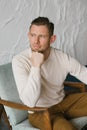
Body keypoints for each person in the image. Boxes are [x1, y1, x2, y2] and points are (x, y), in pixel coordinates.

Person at [12, 16, 87, 130]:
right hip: (40, 112)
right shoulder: (19, 61)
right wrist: (36, 67)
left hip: (64, 102)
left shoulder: (61, 57)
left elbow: (83, 73)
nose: (36, 41)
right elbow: (30, 102)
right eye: (33, 35)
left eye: (41, 36)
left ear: (52, 39)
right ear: (29, 35)